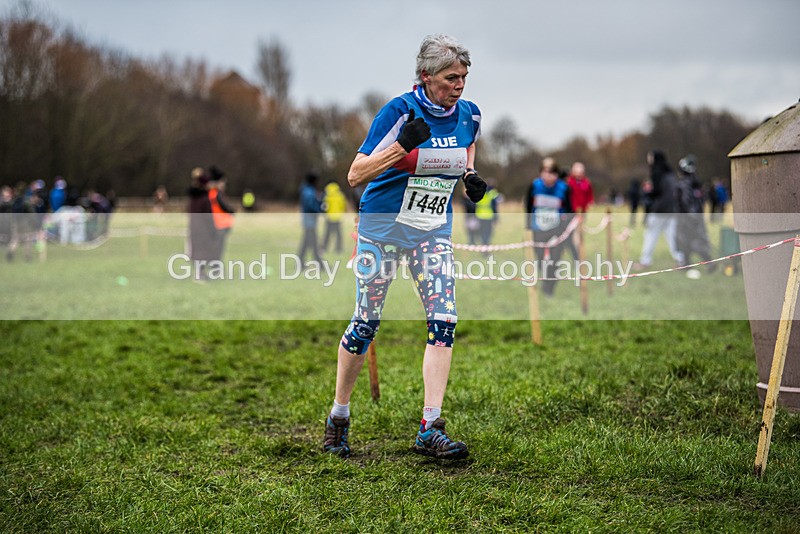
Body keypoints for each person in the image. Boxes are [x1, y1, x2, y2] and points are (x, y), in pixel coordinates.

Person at [323, 34, 485, 460]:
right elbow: (356, 174)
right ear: (426, 76)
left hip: (431, 231)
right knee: (366, 324)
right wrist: (400, 146)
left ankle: (430, 426)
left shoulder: (470, 114)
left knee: (444, 320)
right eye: (451, 77)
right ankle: (339, 416)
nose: (460, 85)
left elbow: (468, 144)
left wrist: (470, 176)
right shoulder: (399, 111)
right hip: (383, 229)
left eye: (464, 76)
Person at [525, 159, 572, 297]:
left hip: (557, 229)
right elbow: (528, 207)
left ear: (556, 175)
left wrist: (566, 224)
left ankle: (550, 286)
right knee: (540, 259)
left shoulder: (563, 188)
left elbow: (569, 209)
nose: (548, 176)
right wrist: (528, 226)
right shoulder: (534, 186)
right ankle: (545, 280)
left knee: (555, 259)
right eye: (545, 172)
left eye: (551, 173)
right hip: (538, 228)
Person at [636, 150, 684, 269]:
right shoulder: (671, 173)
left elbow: (656, 192)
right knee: (672, 236)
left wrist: (647, 192)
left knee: (650, 235)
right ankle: (681, 259)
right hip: (671, 210)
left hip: (659, 211)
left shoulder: (657, 172)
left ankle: (645, 260)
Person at [675, 154, 714, 272]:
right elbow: (702, 199)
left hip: (687, 218)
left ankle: (708, 263)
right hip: (696, 216)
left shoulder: (683, 184)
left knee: (690, 241)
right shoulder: (696, 182)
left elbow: (684, 202)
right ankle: (687, 265)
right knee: (688, 241)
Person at [186, 167, 216, 280]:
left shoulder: (192, 198)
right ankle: (200, 274)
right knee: (202, 251)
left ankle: (200, 273)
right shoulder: (204, 199)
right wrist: (212, 229)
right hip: (203, 229)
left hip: (194, 227)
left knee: (197, 251)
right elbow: (208, 216)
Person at [207, 165, 235, 262]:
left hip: (218, 224)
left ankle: (215, 266)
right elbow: (225, 207)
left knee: (216, 248)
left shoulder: (212, 192)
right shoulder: (215, 193)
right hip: (220, 224)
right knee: (218, 248)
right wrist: (231, 210)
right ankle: (216, 267)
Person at [298, 171, 324, 266]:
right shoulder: (309, 192)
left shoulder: (307, 190)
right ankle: (320, 264)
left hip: (309, 221)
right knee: (313, 244)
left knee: (306, 244)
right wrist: (320, 208)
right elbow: (311, 206)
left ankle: (300, 263)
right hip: (310, 222)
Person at [474, 178, 502, 248]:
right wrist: (496, 217)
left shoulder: (480, 192)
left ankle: (483, 245)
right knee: (488, 233)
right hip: (489, 216)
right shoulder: (493, 193)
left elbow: (475, 204)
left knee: (482, 232)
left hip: (479, 215)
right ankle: (486, 246)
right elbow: (494, 206)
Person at [321, 180, 347, 254]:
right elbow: (343, 206)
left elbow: (325, 207)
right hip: (338, 218)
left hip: (329, 217)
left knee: (327, 234)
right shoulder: (341, 196)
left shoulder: (327, 196)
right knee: (338, 235)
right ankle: (338, 249)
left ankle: (324, 248)